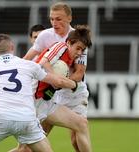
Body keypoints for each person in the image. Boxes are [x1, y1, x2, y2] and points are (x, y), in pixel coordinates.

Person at [0, 34, 78, 152]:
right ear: (13, 47)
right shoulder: (29, 65)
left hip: (1, 117)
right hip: (26, 119)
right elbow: (58, 81)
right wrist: (74, 85)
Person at [22, 2, 92, 152]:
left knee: (76, 136)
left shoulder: (78, 39)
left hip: (73, 95)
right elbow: (27, 59)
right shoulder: (45, 36)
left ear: (69, 18)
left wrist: (63, 83)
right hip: (50, 94)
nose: (54, 23)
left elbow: (79, 73)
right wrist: (55, 82)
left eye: (59, 19)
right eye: (52, 19)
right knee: (29, 147)